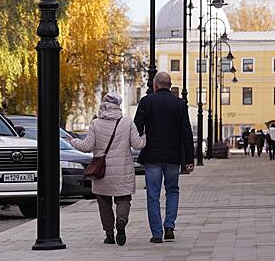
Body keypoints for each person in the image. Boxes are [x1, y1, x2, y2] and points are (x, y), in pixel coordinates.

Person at [70, 93, 146, 246]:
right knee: (123, 198)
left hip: (102, 171)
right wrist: (147, 136)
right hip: (122, 170)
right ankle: (122, 220)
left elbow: (86, 147)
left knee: (104, 202)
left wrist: (73, 141)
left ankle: (109, 234)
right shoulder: (126, 122)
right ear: (118, 105)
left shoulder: (95, 124)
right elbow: (138, 145)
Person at [135, 72, 194, 244]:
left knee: (153, 194)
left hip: (152, 155)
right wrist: (189, 158)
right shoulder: (180, 104)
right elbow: (186, 133)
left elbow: (136, 127)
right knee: (173, 190)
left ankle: (157, 233)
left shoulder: (146, 102)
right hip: (173, 156)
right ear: (170, 85)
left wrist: (138, 142)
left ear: (155, 85)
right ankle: (169, 226)